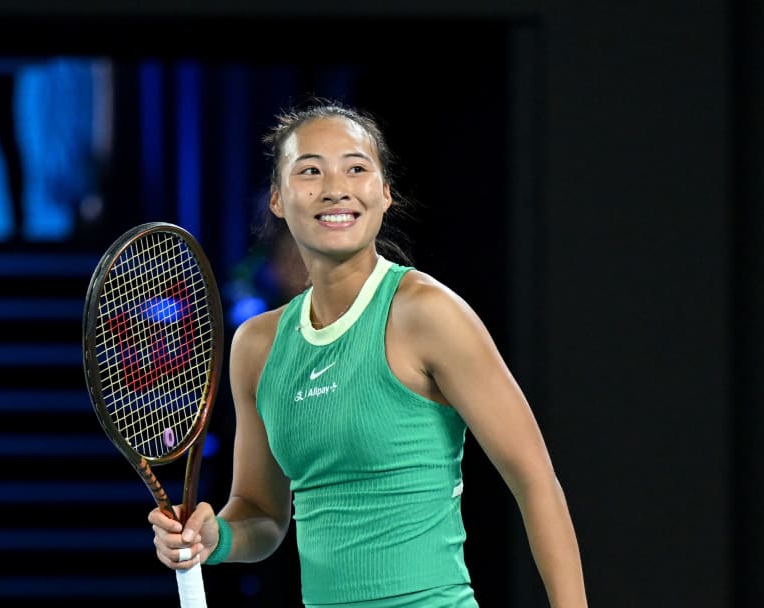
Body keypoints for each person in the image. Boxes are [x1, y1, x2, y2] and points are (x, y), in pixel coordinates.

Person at [148, 97, 588, 607]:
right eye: (310, 170)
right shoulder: (257, 346)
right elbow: (261, 513)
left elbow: (534, 480)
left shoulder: (427, 313)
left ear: (383, 194)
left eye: (356, 168)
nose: (335, 188)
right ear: (277, 198)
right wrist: (214, 537)